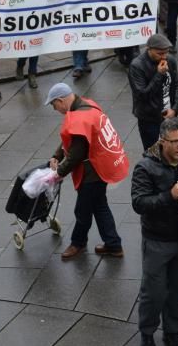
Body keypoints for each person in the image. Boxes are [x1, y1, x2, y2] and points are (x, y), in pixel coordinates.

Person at [131, 117, 178, 346]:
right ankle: (147, 335)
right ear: (162, 142)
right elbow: (139, 203)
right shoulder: (145, 167)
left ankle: (172, 332)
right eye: (176, 142)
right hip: (157, 241)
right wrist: (168, 196)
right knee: (153, 291)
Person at [45, 83, 127, 262]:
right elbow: (73, 139)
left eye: (54, 105)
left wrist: (57, 173)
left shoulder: (79, 118)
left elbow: (76, 153)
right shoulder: (88, 105)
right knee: (99, 206)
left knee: (82, 211)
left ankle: (78, 243)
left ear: (60, 100)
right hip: (103, 166)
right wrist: (57, 155)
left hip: (92, 173)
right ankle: (113, 244)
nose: (54, 109)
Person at [128, 34, 178, 150]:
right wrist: (159, 74)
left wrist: (175, 109)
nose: (164, 56)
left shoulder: (170, 60)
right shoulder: (137, 66)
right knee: (152, 151)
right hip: (149, 118)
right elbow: (142, 95)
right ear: (149, 49)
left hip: (170, 115)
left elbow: (177, 85)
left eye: (166, 52)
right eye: (160, 53)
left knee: (173, 149)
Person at [11, 0, 44, 89]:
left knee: (35, 49)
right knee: (25, 49)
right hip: (23, 23)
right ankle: (20, 65)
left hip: (37, 22)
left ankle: (32, 74)